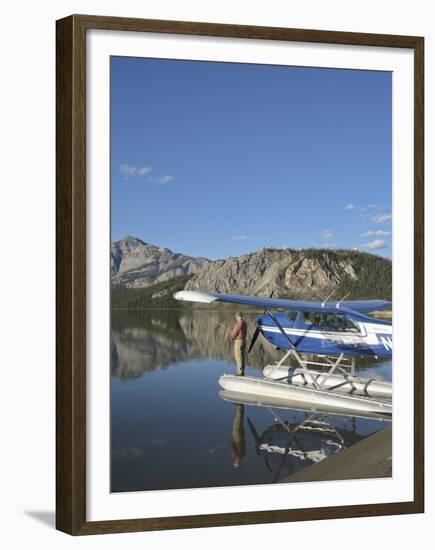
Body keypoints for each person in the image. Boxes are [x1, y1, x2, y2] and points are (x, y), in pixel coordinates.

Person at [231, 311, 247, 376]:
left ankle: (239, 372)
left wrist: (231, 334)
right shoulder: (245, 323)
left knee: (238, 357)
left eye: (236, 316)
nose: (235, 317)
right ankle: (242, 371)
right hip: (244, 341)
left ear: (238, 316)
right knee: (242, 357)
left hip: (238, 342)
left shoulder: (238, 324)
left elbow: (234, 334)